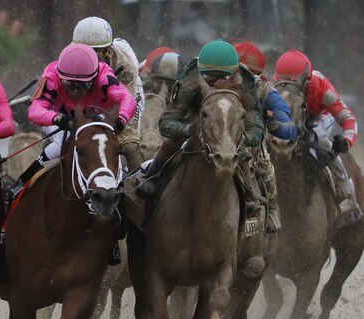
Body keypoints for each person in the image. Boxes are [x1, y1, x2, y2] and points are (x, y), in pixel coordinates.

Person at [20, 43, 136, 265]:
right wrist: (58, 119)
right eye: (70, 84)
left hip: (98, 119)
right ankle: (23, 183)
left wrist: (120, 120)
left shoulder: (104, 74)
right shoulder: (52, 74)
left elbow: (126, 99)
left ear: (94, 77)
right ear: (61, 76)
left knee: (111, 154)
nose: (75, 90)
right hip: (62, 119)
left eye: (82, 85)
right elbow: (35, 110)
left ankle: (118, 209)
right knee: (57, 146)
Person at [138, 39, 265, 197]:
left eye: (223, 77)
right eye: (210, 77)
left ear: (234, 73)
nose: (215, 82)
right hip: (196, 117)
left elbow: (256, 128)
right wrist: (189, 129)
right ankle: (153, 177)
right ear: (201, 71)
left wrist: (238, 137)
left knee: (243, 153)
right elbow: (166, 123)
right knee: (172, 141)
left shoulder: (245, 80)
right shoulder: (192, 76)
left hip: (231, 124)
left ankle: (249, 195)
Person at [274, 49, 362, 227]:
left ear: (307, 81)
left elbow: (348, 118)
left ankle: (346, 192)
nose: (289, 89)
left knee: (319, 140)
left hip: (317, 118)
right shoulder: (273, 86)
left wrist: (346, 141)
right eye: (283, 84)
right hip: (291, 117)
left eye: (296, 85)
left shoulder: (320, 85)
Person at [235, 41, 297, 232]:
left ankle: (271, 209)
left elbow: (289, 126)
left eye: (251, 76)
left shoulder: (265, 89)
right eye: (240, 73)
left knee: (266, 167)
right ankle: (155, 178)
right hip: (216, 137)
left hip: (251, 142)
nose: (245, 81)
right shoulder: (212, 81)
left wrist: (276, 125)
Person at [72, 16, 145, 170]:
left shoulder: (125, 64)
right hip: (93, 94)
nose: (90, 57)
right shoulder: (69, 56)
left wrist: (110, 125)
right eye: (85, 51)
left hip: (125, 93)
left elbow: (126, 102)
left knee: (128, 143)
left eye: (96, 51)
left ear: (107, 49)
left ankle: (139, 182)